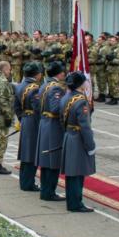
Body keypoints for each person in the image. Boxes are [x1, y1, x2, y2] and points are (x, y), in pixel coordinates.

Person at [60, 72, 95, 213]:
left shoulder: (66, 97)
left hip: (69, 135)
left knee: (71, 172)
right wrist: (90, 145)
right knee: (77, 172)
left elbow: (61, 120)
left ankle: (72, 201)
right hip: (77, 138)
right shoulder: (80, 101)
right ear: (81, 84)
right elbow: (85, 126)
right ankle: (75, 203)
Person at [36, 62, 67, 202]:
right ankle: (49, 192)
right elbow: (56, 108)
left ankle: (45, 190)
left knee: (46, 161)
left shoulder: (44, 84)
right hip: (52, 125)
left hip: (44, 122)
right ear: (59, 73)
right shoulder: (56, 88)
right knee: (52, 160)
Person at [14, 62, 43, 192]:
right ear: (37, 75)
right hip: (33, 122)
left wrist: (22, 118)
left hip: (25, 120)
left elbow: (16, 106)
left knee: (25, 152)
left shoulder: (20, 86)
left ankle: (24, 181)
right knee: (31, 153)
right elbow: (38, 109)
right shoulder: (35, 88)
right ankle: (28, 183)